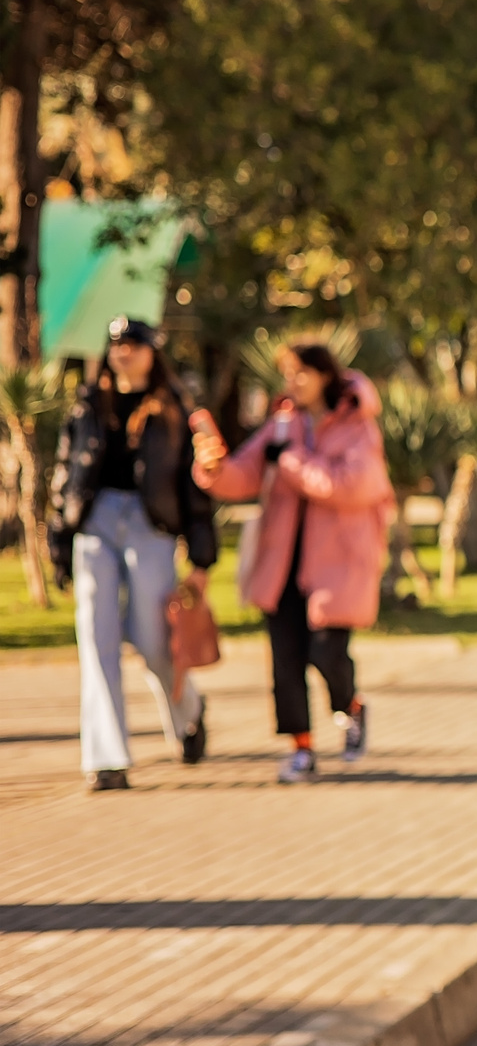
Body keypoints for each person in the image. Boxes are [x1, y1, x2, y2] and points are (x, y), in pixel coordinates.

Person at [189, 340, 393, 784]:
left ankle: (351, 706)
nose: (293, 383)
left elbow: (354, 486)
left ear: (325, 375)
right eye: (288, 374)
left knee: (327, 654)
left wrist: (292, 461)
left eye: (301, 373)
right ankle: (301, 747)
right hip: (281, 560)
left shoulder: (358, 428)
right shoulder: (283, 424)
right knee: (285, 661)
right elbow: (246, 473)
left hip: (336, 564)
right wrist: (213, 467)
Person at [48, 315, 217, 791]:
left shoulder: (174, 407)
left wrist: (201, 558)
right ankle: (106, 758)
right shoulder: (87, 405)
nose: (124, 352)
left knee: (153, 640)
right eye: (117, 345)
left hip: (151, 525)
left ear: (151, 352)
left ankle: (189, 710)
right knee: (96, 639)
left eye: (134, 345)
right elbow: (66, 474)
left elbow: (193, 489)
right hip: (96, 524)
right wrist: (59, 538)